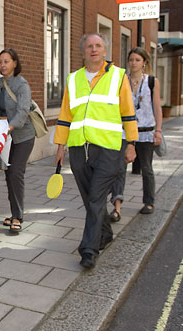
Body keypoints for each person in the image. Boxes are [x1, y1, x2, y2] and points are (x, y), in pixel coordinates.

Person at [54, 33, 138, 269]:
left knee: (95, 198)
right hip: (79, 148)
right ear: (83, 51)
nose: (94, 49)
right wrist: (60, 147)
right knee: (91, 199)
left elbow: (128, 111)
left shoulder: (118, 76)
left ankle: (88, 250)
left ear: (104, 50)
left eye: (98, 46)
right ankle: (105, 232)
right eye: (89, 46)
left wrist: (131, 143)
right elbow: (65, 115)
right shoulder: (73, 79)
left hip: (109, 148)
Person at [109, 47, 163, 221]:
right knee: (119, 169)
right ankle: (117, 207)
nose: (133, 63)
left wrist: (159, 131)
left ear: (144, 62)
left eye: (137, 60)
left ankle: (149, 202)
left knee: (146, 169)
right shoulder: (121, 81)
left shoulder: (152, 82)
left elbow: (157, 108)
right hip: (124, 133)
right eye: (131, 59)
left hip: (146, 132)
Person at [0, 49, 35, 232]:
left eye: (6, 61)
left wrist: (9, 127)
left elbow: (23, 112)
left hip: (22, 136)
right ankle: (15, 212)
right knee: (8, 173)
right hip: (5, 136)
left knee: (16, 172)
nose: (2, 65)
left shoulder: (22, 85)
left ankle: (18, 217)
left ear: (15, 63)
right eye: (0, 62)